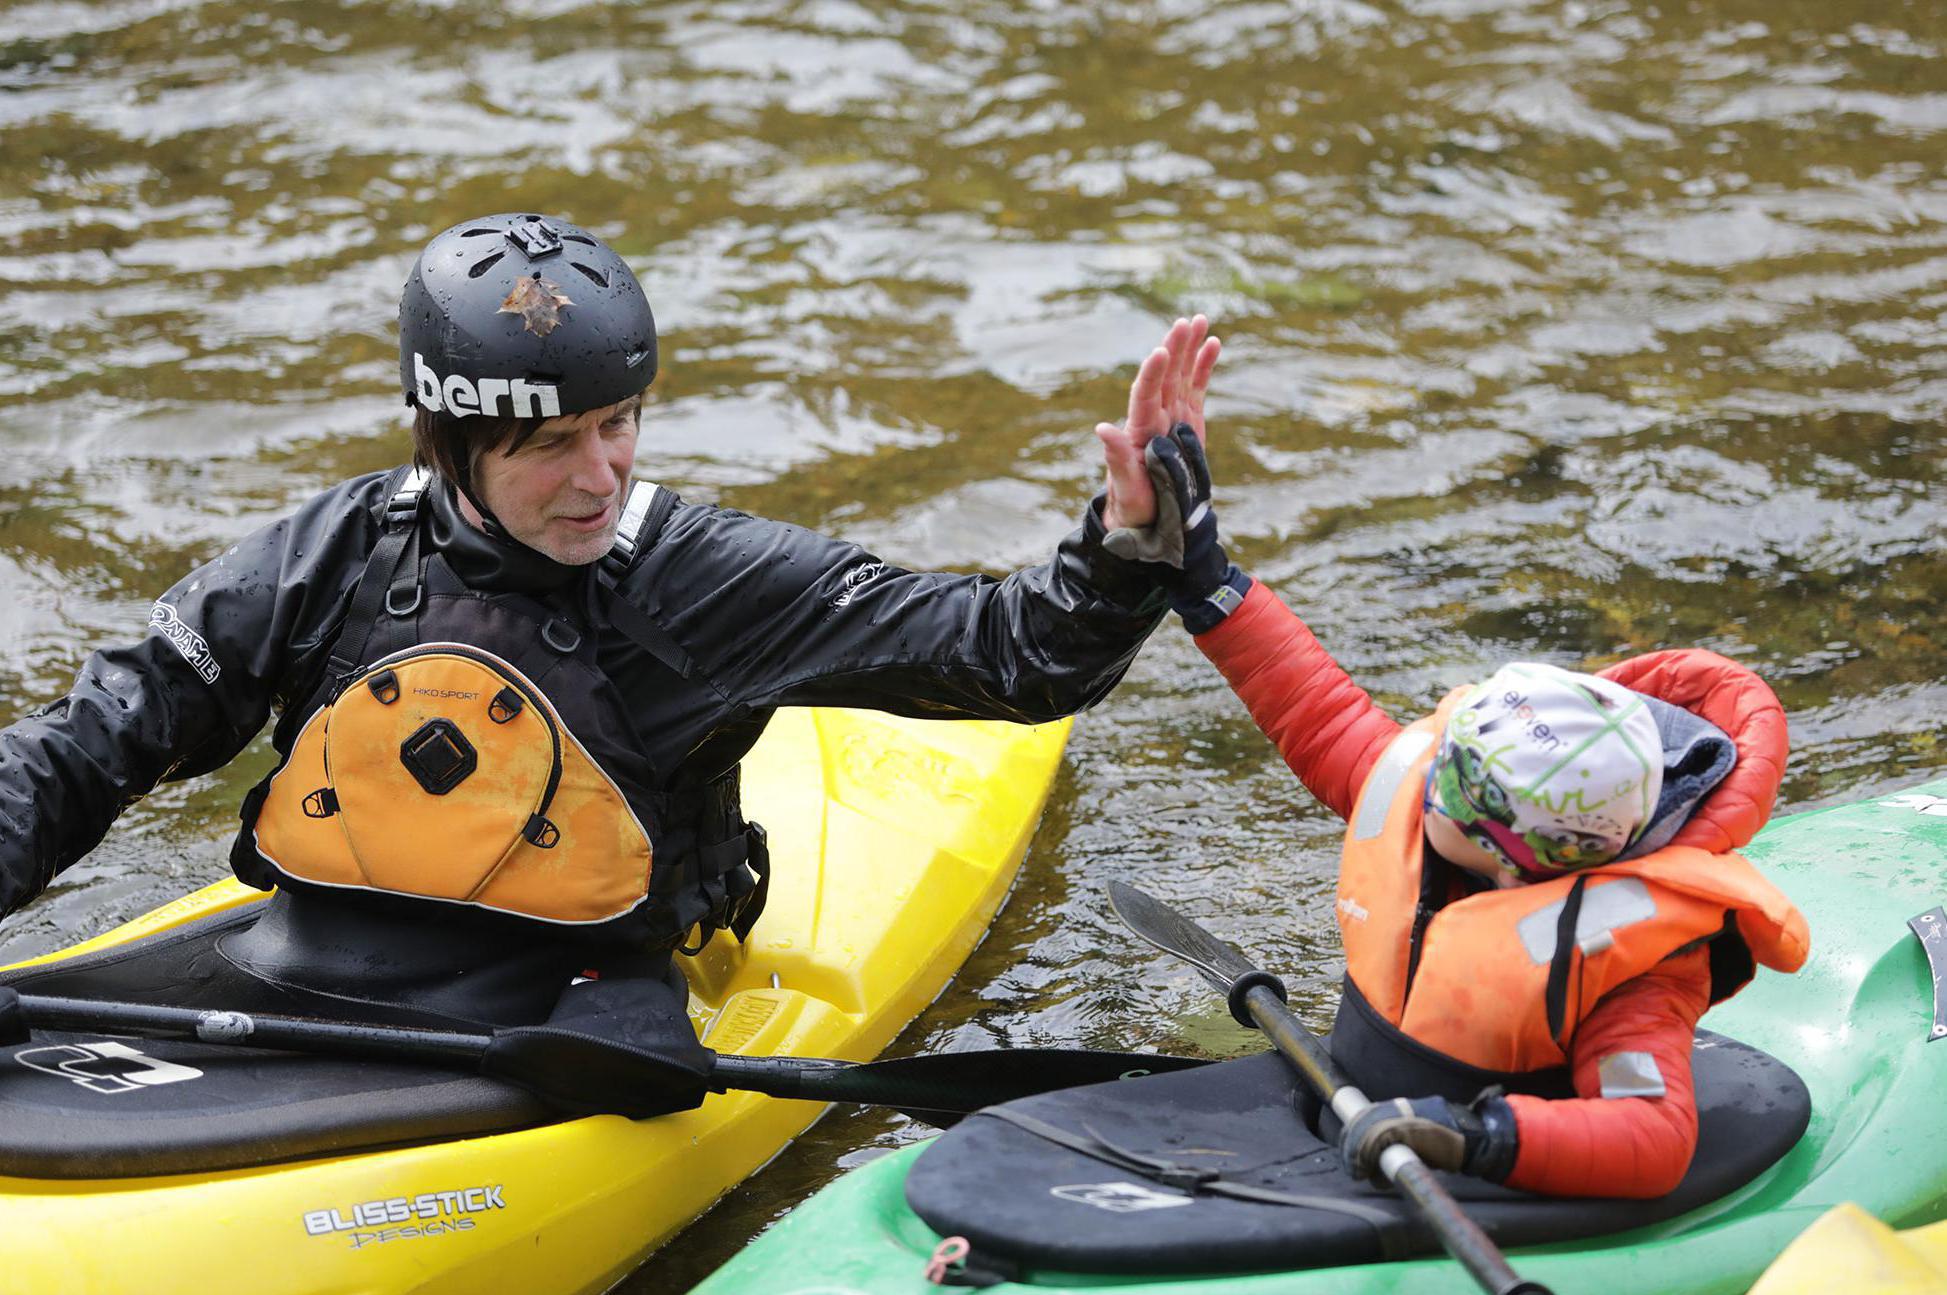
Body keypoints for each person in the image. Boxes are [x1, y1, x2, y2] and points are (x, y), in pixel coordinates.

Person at [0, 212, 1220, 1032]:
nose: (600, 475)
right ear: (453, 442)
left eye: (620, 422)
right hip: (312, 963)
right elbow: (86, 745)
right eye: (549, 444)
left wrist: (1121, 547)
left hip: (585, 1006)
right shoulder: (336, 555)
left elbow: (1007, 655)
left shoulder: (697, 578)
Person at [1121, 426, 1809, 1198]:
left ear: (1516, 850)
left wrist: (1472, 1136)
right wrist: (1206, 578)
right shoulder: (1440, 801)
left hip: (1483, 1167)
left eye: (1454, 776)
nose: (1425, 768)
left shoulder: (1639, 964)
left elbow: (1650, 1135)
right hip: (1349, 1110)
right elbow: (1312, 706)